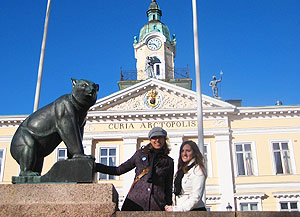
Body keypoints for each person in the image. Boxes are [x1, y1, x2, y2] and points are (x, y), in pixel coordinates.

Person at [96, 127, 174, 211]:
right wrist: (95, 166)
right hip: (136, 202)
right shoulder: (140, 154)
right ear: (150, 140)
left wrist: (169, 206)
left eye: (160, 137)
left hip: (156, 204)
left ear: (164, 139)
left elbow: (168, 186)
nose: (157, 140)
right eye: (154, 138)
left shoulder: (168, 162)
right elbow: (119, 170)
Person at [165, 140, 207, 212]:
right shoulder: (181, 171)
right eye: (182, 151)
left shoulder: (198, 169)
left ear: (194, 153)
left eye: (188, 151)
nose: (184, 154)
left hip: (194, 210)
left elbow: (196, 196)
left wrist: (178, 209)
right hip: (181, 210)